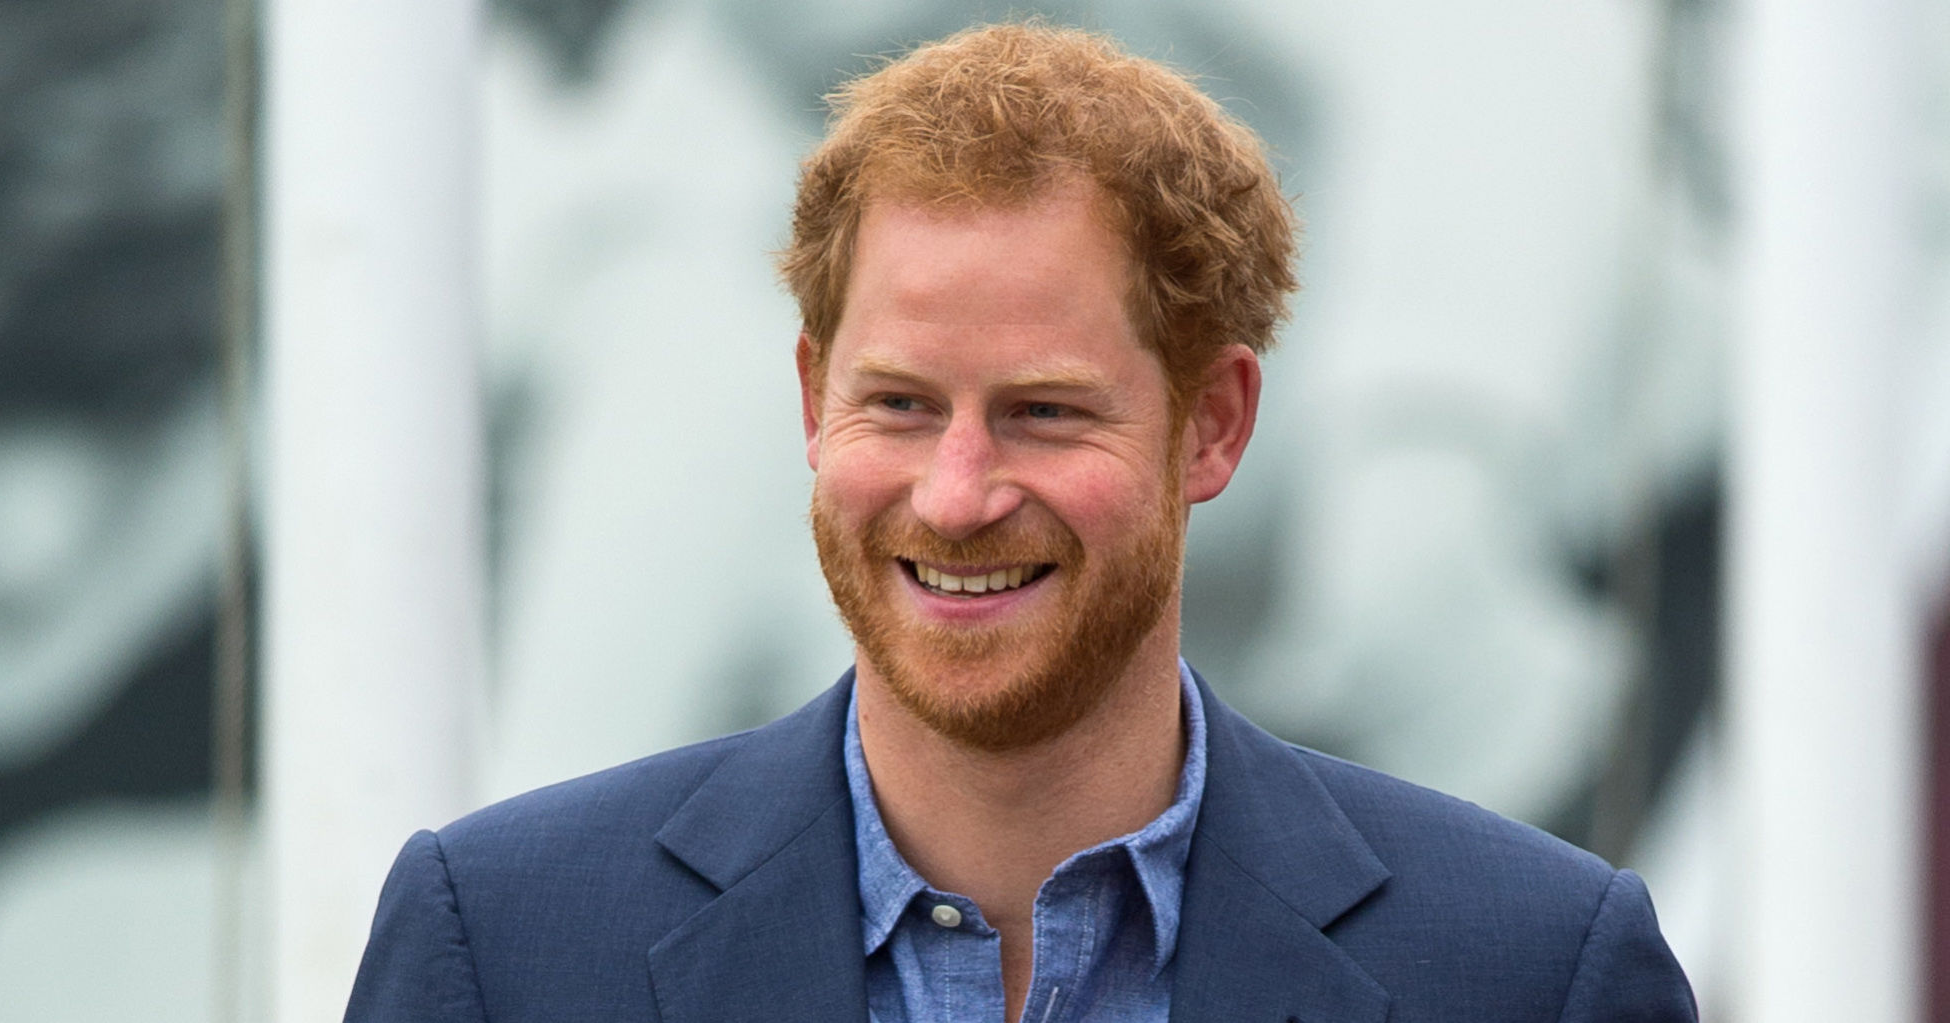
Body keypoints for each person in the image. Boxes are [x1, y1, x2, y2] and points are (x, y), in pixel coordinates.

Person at [345, 21, 1696, 1022]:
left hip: (1538, 552)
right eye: (899, 406)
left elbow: (1516, 57)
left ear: (1214, 420)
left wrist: (1436, 438)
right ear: (813, 400)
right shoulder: (505, 943)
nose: (958, 490)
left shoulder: (1541, 967)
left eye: (1045, 411)